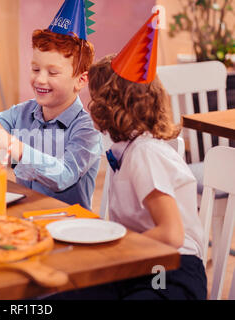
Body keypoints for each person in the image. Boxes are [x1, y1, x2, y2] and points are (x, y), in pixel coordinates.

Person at [46, 12, 207, 300]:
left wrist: (114, 248)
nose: (89, 105)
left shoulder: (145, 153)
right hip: (141, 262)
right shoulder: (126, 149)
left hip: (170, 269)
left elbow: (171, 235)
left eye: (94, 97)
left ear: (111, 104)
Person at [0, 0, 102, 210]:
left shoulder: (87, 128)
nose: (40, 80)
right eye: (36, 69)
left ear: (81, 80)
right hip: (25, 217)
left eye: (53, 72)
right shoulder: (22, 113)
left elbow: (64, 175)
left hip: (70, 225)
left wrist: (12, 144)